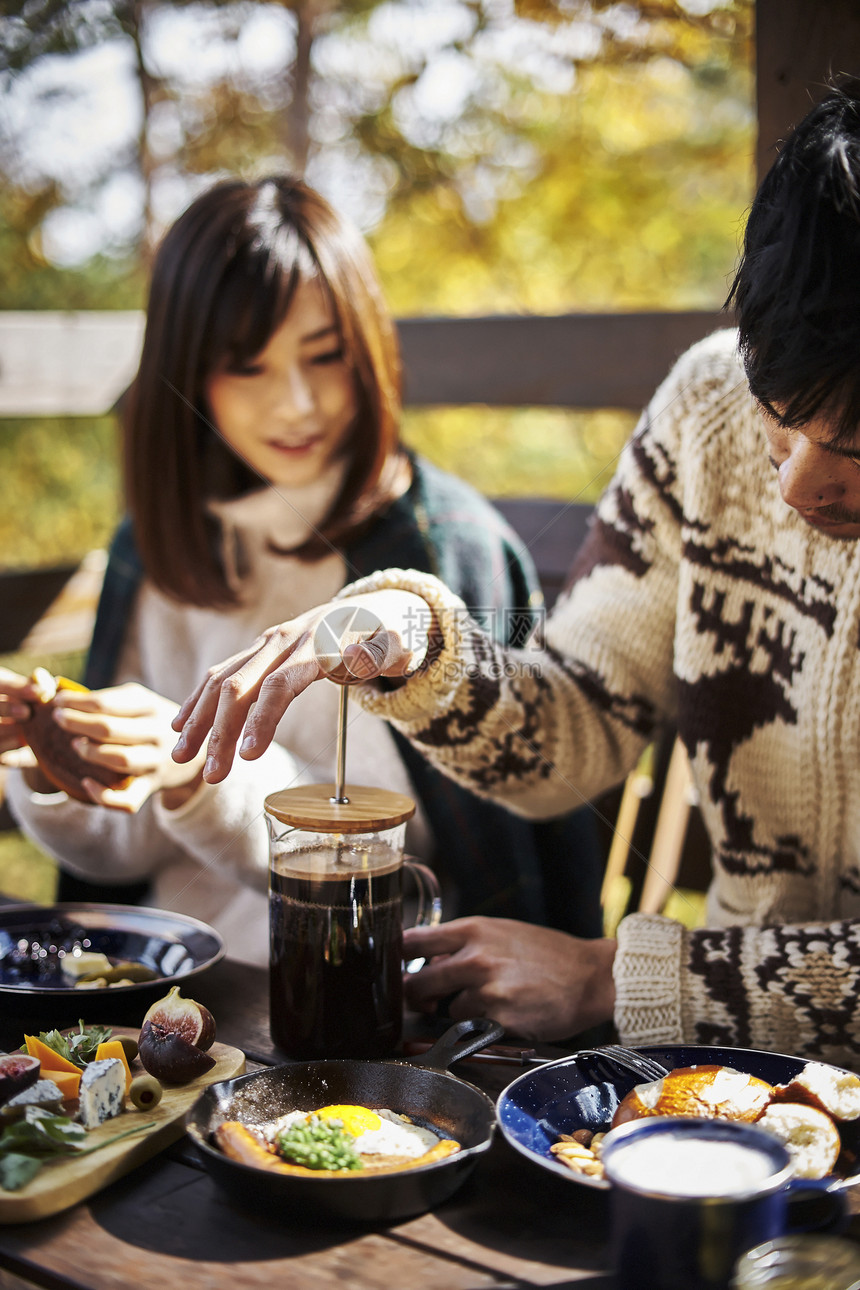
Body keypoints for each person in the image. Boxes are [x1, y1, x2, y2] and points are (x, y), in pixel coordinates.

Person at [171, 81, 860, 1068]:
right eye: (778, 414)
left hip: (707, 1037)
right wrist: (413, 645)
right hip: (721, 1079)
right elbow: (572, 730)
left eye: (854, 445)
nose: (794, 481)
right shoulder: (705, 406)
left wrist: (616, 977)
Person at [0, 176, 604, 965]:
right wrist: (58, 766)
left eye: (325, 357)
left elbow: (409, 852)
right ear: (183, 371)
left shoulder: (438, 552)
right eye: (247, 367)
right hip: (161, 977)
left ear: (370, 352)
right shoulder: (152, 546)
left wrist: (193, 776)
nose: (297, 404)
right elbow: (117, 860)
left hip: (356, 981)